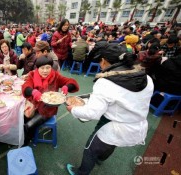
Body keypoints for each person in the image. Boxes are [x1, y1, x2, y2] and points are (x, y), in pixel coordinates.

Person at [66, 43, 154, 175]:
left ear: (104, 61)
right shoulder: (146, 78)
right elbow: (126, 98)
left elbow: (92, 113)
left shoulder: (105, 82)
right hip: (137, 125)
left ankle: (81, 172)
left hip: (113, 125)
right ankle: (101, 158)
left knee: (90, 149)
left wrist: (72, 109)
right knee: (112, 143)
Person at [22, 56, 79, 143]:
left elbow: (71, 81)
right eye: (42, 68)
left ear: (51, 67)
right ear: (37, 68)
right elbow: (26, 86)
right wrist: (33, 91)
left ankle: (27, 140)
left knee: (28, 125)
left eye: (48, 67)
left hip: (48, 110)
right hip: (33, 105)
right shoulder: (32, 75)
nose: (45, 71)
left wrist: (66, 87)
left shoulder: (55, 76)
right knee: (21, 119)